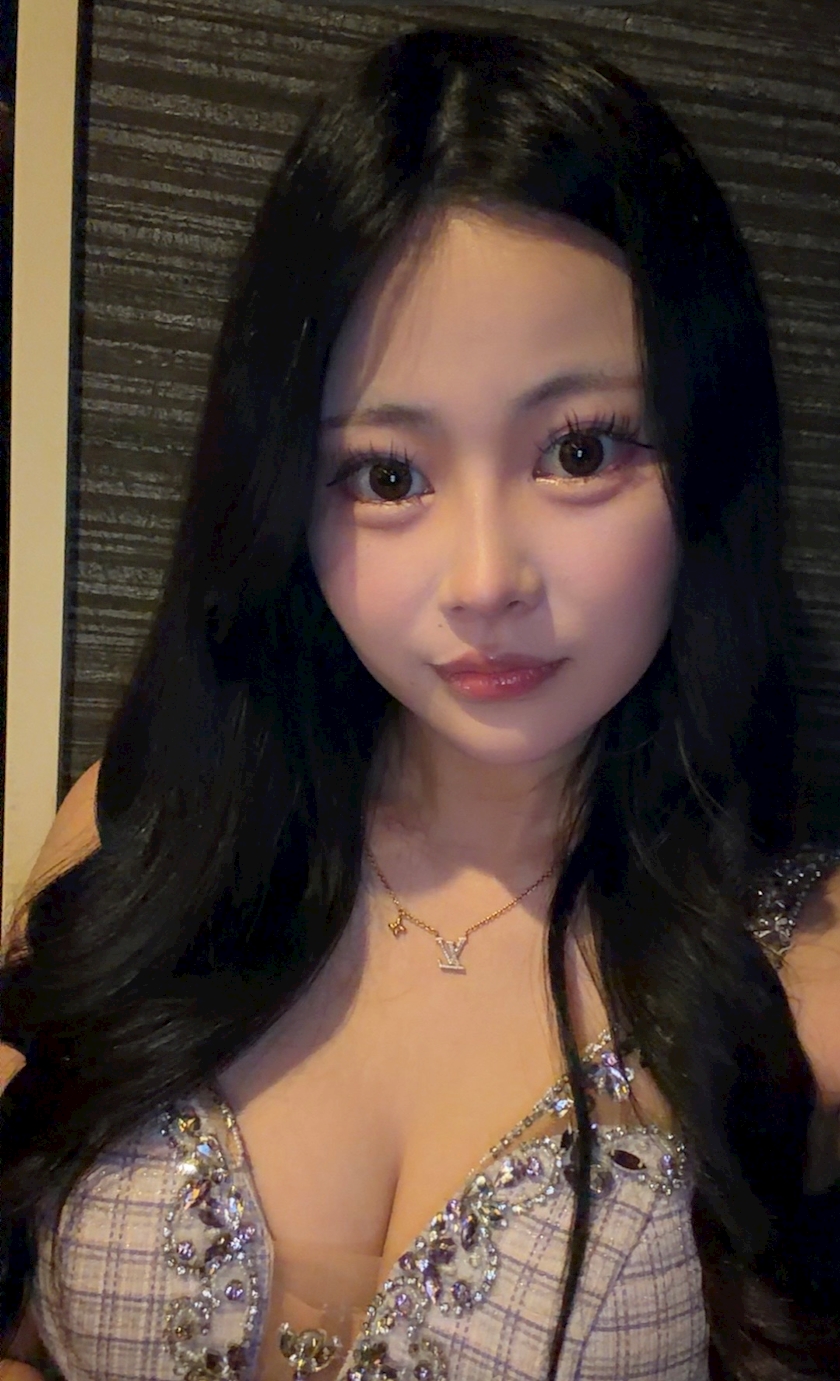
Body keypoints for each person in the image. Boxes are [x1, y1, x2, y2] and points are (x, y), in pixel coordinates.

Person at [2, 20, 840, 1381]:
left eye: (580, 450)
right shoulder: (140, 840)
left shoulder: (801, 982)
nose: (485, 579)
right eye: (387, 475)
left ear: (709, 463)